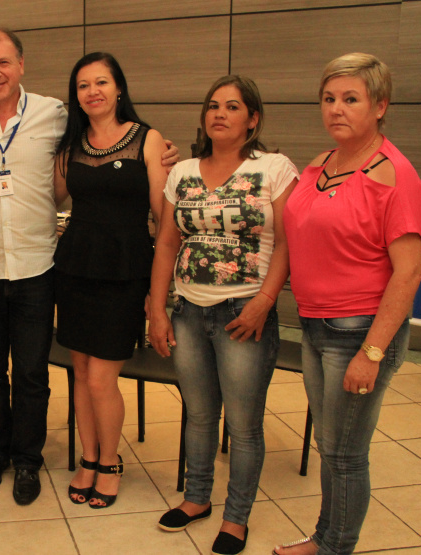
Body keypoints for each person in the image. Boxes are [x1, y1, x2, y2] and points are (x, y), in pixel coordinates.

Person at [0, 29, 180, 506]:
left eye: (3, 62)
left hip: (41, 265)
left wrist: (165, 156)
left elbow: (151, 197)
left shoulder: (54, 115)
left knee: (34, 373)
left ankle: (31, 459)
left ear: (21, 65)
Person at [274, 53, 421, 555]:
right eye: (328, 98)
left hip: (359, 332)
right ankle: (325, 537)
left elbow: (409, 273)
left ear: (380, 106)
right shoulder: (321, 164)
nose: (336, 109)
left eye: (350, 99)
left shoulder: (395, 177)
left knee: (345, 454)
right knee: (331, 445)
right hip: (315, 325)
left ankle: (334, 547)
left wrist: (372, 352)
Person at [149, 75, 298, 555]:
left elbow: (289, 243)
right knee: (198, 414)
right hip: (188, 310)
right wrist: (157, 308)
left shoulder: (273, 168)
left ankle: (236, 517)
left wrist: (264, 302)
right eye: (213, 105)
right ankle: (196, 499)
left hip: (244, 312)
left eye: (233, 107)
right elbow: (167, 242)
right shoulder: (182, 172)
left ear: (253, 119)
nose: (219, 113)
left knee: (243, 424)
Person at [53, 52, 167, 509]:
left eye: (101, 82)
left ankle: (110, 461)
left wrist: (159, 291)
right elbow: (50, 197)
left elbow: (164, 218)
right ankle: (88, 458)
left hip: (125, 269)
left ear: (119, 88)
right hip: (75, 266)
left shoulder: (148, 139)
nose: (92, 91)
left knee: (102, 378)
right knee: (80, 372)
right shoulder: (71, 145)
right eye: (83, 85)